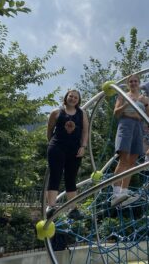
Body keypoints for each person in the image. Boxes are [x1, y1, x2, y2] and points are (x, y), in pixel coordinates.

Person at [46, 90, 89, 219]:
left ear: (78, 100)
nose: (73, 99)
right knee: (55, 175)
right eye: (71, 96)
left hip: (74, 150)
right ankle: (51, 207)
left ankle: (73, 209)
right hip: (57, 147)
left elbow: (85, 132)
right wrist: (52, 144)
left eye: (76, 97)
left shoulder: (82, 114)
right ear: (66, 97)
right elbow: (49, 130)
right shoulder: (56, 112)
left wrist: (83, 146)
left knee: (71, 177)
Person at [112, 74, 149, 206]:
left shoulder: (144, 98)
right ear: (128, 84)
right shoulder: (123, 95)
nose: (133, 83)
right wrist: (128, 104)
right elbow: (116, 113)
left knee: (132, 161)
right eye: (131, 81)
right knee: (123, 159)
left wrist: (145, 104)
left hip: (139, 127)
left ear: (139, 83)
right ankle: (115, 193)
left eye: (135, 81)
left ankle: (124, 192)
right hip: (126, 124)